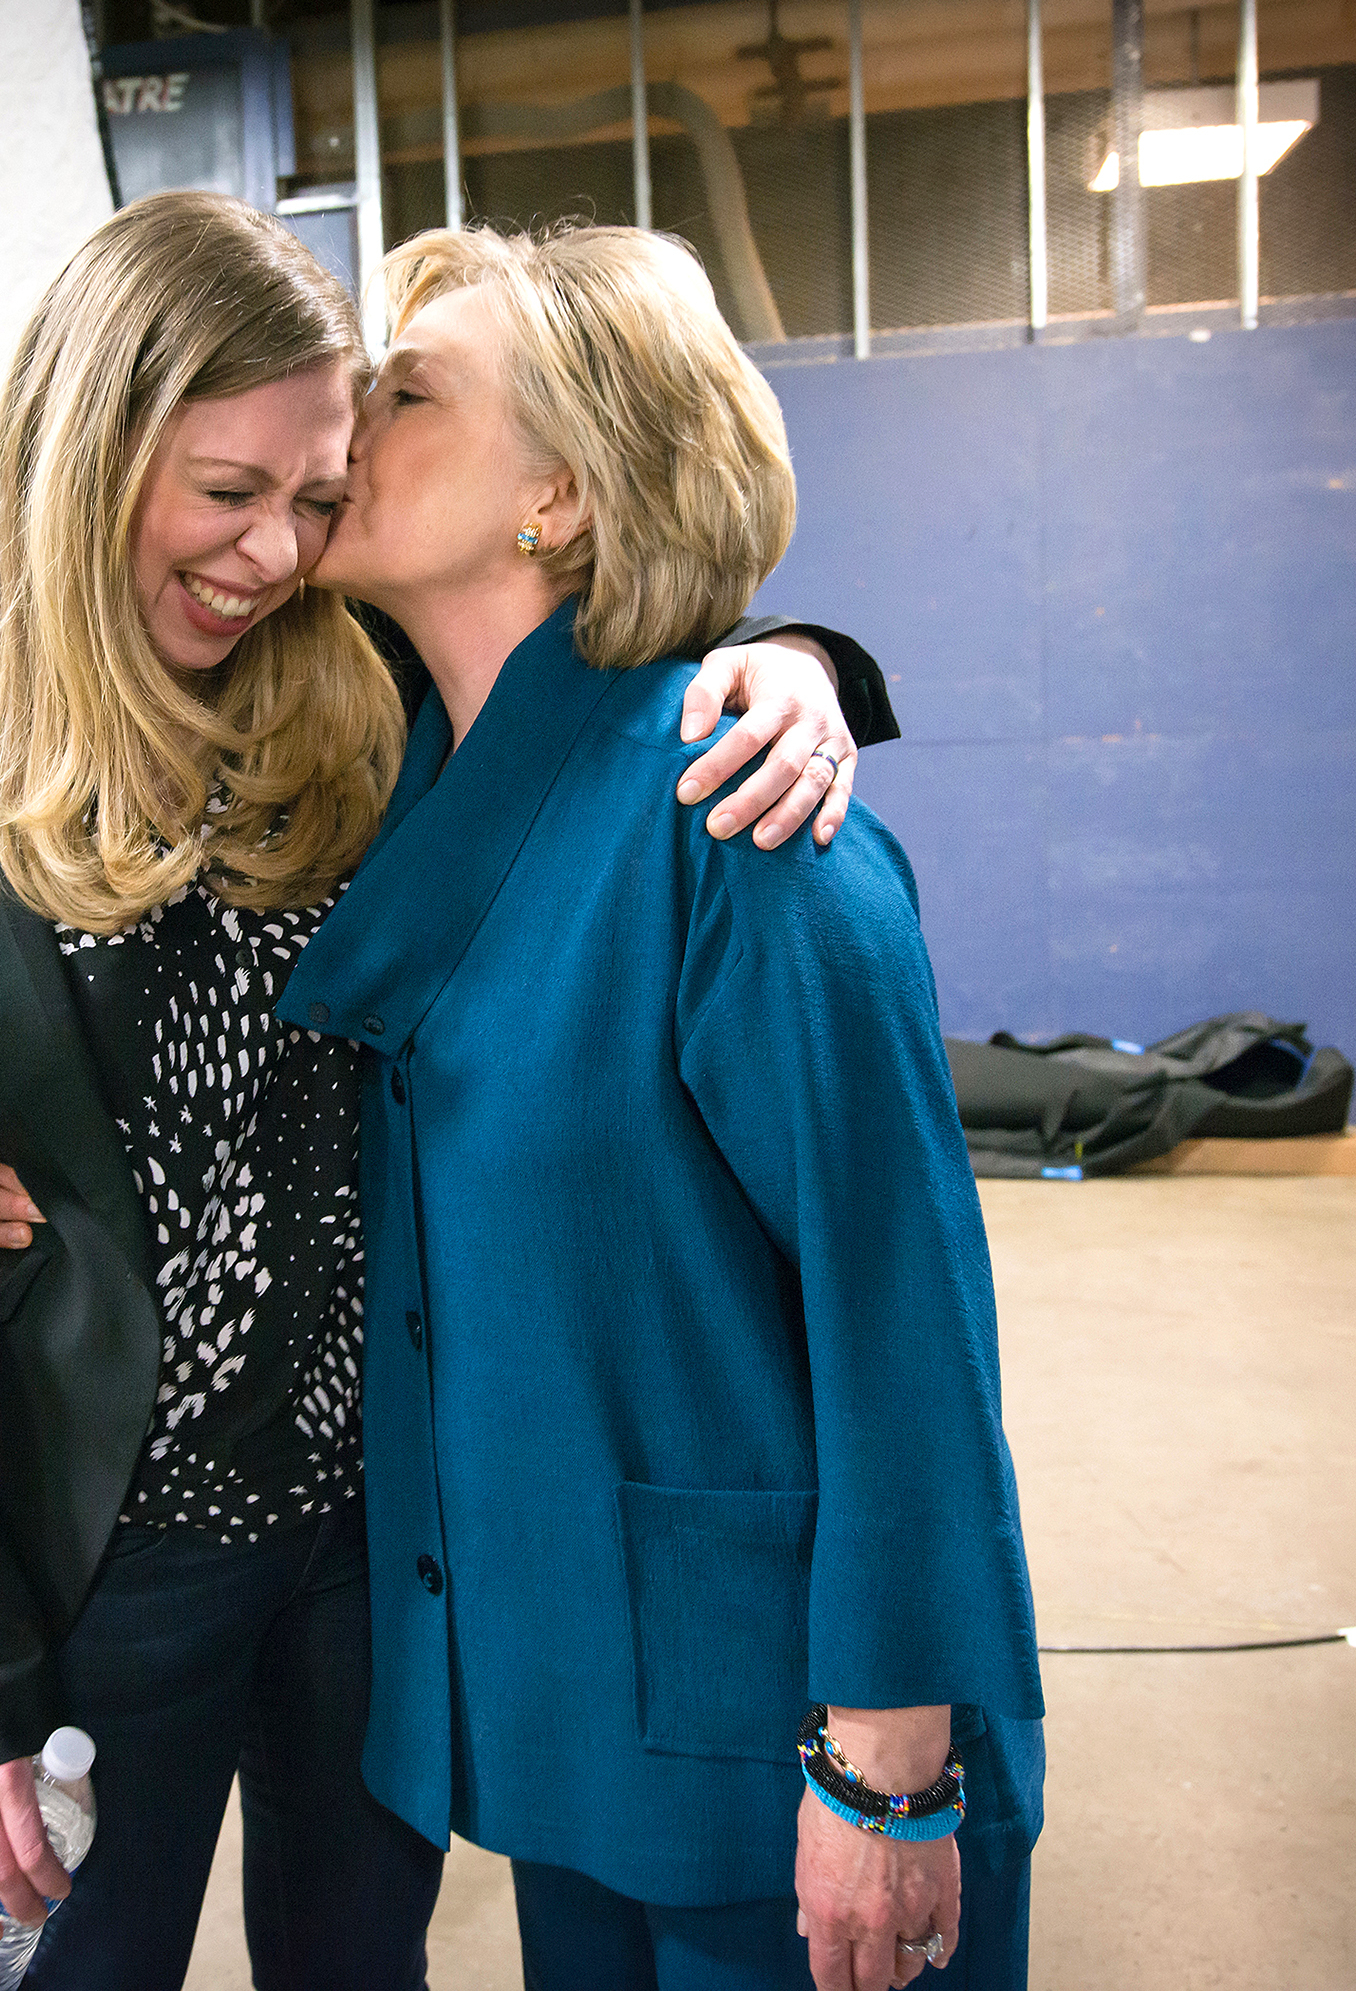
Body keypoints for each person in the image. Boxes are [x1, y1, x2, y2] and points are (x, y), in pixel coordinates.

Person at [0, 190, 889, 1991]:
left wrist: (798, 663)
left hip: (386, 1542)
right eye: (227, 493)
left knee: (361, 1963)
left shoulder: (363, 683)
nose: (274, 553)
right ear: (87, 449)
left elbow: (597, 641)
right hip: (100, 1557)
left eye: (314, 496)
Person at [268, 225, 1047, 1991]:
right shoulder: (433, 791)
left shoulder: (743, 833)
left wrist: (883, 1769)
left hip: (793, 1752)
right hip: (579, 1717)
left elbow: (902, 1331)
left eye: (403, 393)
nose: (343, 431)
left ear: (553, 494)